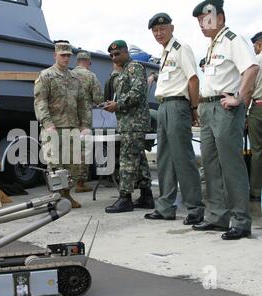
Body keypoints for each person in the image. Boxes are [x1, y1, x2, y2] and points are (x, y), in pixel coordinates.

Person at [192, 0, 260, 240]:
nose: (202, 24)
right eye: (199, 20)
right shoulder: (212, 45)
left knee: (231, 165)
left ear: (220, 18)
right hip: (208, 107)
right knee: (210, 164)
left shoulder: (232, 39)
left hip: (225, 108)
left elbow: (251, 68)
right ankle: (217, 217)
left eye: (207, 18)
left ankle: (241, 221)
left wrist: (239, 97)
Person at [145, 13, 205, 225]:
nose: (159, 34)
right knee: (165, 159)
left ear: (172, 28)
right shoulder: (164, 53)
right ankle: (165, 207)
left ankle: (195, 207)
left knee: (183, 158)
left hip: (178, 105)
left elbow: (193, 78)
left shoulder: (181, 49)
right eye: (155, 31)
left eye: (162, 29)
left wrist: (194, 107)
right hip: (163, 106)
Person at [34, 40, 90, 209]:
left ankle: (66, 196)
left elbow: (82, 103)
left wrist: (85, 124)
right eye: (63, 55)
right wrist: (47, 123)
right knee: (55, 165)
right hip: (54, 127)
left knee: (73, 165)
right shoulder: (46, 76)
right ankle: (55, 198)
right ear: (55, 56)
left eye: (68, 55)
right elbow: (40, 101)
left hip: (72, 128)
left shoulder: (75, 78)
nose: (66, 58)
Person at [104, 40, 154, 214]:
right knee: (139, 160)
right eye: (111, 55)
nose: (114, 57)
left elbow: (138, 93)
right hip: (128, 122)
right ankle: (147, 195)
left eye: (117, 54)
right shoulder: (124, 70)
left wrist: (117, 105)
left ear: (126, 52)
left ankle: (125, 198)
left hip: (134, 123)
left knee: (127, 160)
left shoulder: (134, 68)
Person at [72, 50, 103, 193]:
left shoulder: (68, 74)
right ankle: (80, 183)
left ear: (77, 62)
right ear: (89, 62)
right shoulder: (91, 76)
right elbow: (98, 99)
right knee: (84, 149)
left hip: (68, 118)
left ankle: (66, 181)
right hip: (84, 119)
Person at [249, 31, 262, 202]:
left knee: (257, 151)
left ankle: (256, 190)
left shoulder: (255, 63)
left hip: (258, 107)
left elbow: (248, 90)